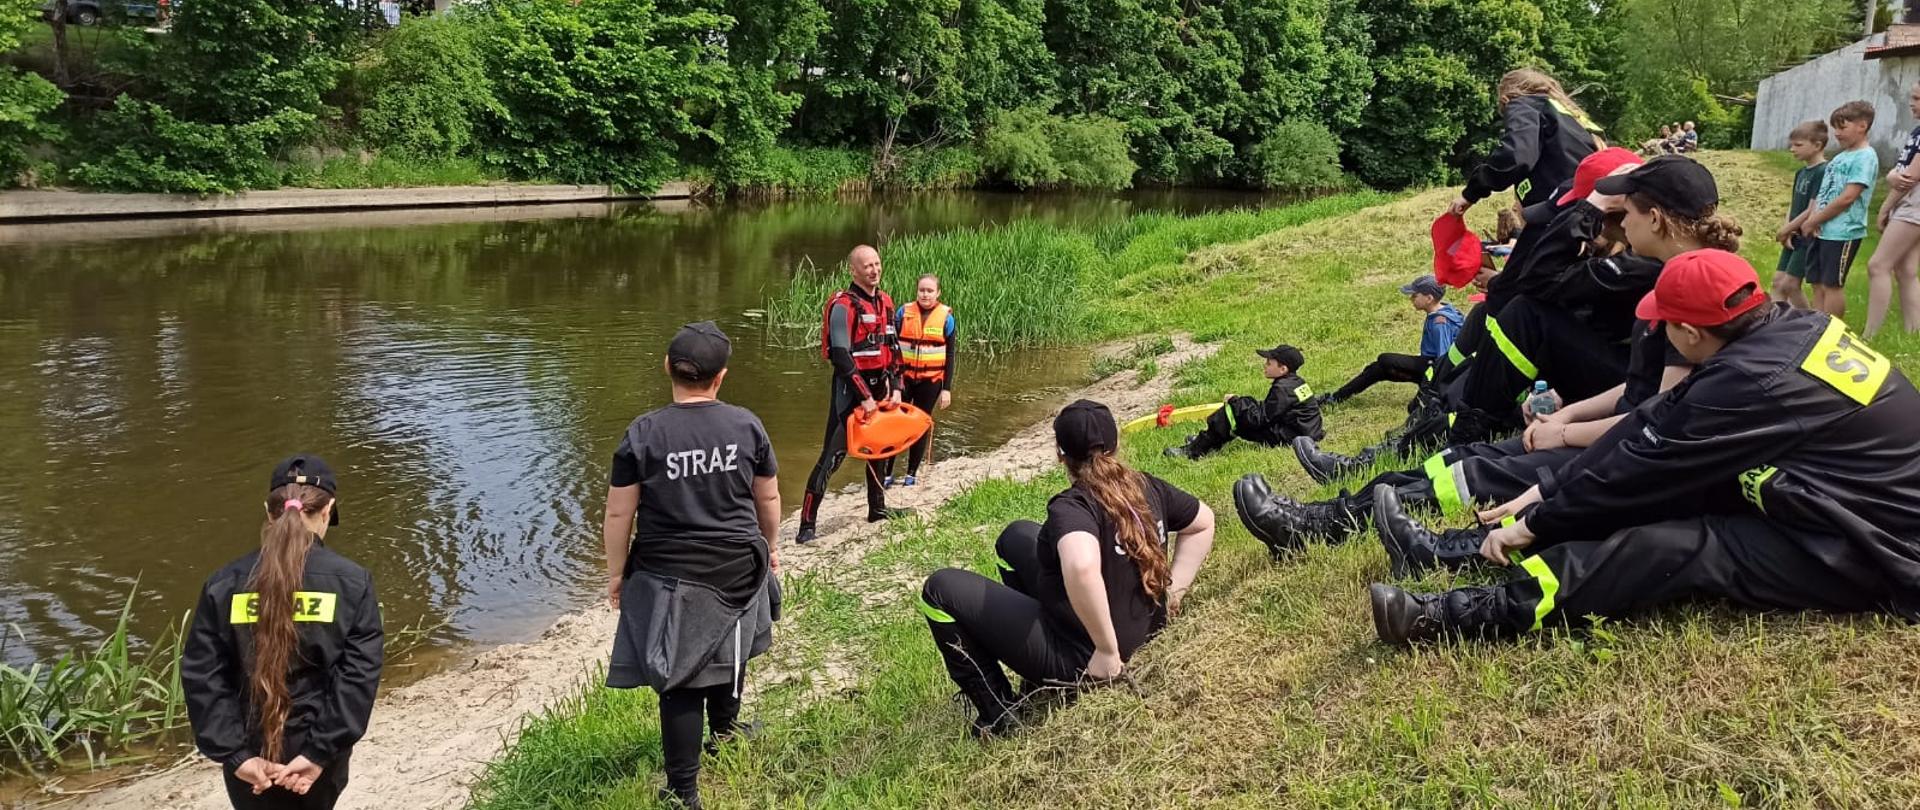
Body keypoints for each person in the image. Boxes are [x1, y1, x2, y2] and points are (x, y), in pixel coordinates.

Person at [1368, 250, 1920, 645]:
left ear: (1690, 331)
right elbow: (1654, 421)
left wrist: (1537, 520)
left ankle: (1467, 613)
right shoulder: (1783, 333)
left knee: (1687, 544)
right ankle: (1452, 551)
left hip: (1872, 542)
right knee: (1668, 493)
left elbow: (1641, 468)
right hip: (1827, 496)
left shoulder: (1752, 380)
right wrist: (1547, 488)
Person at [918, 400, 1215, 735]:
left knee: (939, 589)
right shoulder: (1147, 485)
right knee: (1013, 537)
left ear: (1061, 454)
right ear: (1115, 444)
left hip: (1085, 654)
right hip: (1145, 624)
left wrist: (1106, 651)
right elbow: (1203, 522)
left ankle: (998, 714)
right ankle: (1034, 674)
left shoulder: (1073, 506)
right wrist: (1174, 593)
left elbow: (1082, 566)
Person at [603, 321, 782, 810]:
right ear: (720, 377)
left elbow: (620, 512)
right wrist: (771, 549)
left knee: (680, 678)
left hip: (669, 577)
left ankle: (683, 791)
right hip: (738, 567)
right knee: (731, 646)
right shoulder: (746, 425)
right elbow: (767, 495)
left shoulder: (644, 432)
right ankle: (725, 731)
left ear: (668, 369)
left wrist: (616, 574)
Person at [182, 455, 382, 810]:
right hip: (317, 754)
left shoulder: (224, 584)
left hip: (247, 755)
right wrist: (318, 753)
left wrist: (236, 755)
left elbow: (203, 676)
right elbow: (357, 678)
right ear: (327, 509)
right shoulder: (352, 583)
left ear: (269, 510)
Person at [797, 245, 909, 544]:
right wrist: (864, 397)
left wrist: (897, 387)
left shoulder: (885, 302)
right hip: (850, 392)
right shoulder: (843, 306)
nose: (874, 270)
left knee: (882, 451)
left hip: (881, 388)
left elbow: (894, 348)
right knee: (832, 457)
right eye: (867, 266)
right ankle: (807, 525)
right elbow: (840, 355)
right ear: (854, 271)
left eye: (877, 264)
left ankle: (878, 510)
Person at [1447, 68, 1604, 218]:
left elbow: (1515, 155)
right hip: (1592, 204)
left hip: (1561, 208)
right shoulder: (1572, 115)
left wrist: (1471, 193)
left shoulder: (1525, 104)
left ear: (1506, 96)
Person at [1319, 276, 1464, 407]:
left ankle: (1335, 398)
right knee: (1378, 368)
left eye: (1415, 295)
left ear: (1429, 298)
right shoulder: (1442, 312)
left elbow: (1444, 359)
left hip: (1435, 369)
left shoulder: (1440, 323)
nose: (1411, 299)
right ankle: (1336, 398)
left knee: (1385, 359)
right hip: (1429, 365)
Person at [1163, 344, 1322, 460]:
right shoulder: (1296, 382)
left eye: (1269, 363)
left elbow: (1258, 419)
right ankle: (1207, 441)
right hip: (1303, 431)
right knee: (1243, 408)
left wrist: (1235, 402)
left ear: (1283, 369)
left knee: (1232, 414)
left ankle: (1194, 450)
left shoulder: (1282, 389)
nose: (1265, 365)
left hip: (1291, 436)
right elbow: (1271, 411)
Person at [1795, 100, 1879, 319]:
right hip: (1820, 230)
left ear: (1862, 126)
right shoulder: (1839, 158)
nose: (1837, 133)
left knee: (1832, 284)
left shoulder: (1865, 157)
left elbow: (1848, 197)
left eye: (1842, 127)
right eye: (1835, 128)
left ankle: (1832, 329)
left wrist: (1815, 220)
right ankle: (1817, 325)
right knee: (1817, 281)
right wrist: (1813, 219)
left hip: (1843, 231)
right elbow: (1823, 194)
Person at [883, 274, 955, 487]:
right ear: (917, 292)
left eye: (930, 291)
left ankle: (911, 473)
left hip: (930, 381)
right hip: (903, 379)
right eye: (922, 290)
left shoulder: (947, 319)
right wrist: (890, 380)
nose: (925, 294)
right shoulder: (903, 313)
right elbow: (892, 348)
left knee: (919, 425)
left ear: (938, 293)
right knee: (896, 423)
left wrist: (947, 389)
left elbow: (950, 356)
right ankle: (887, 473)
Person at [1867, 82, 1920, 338]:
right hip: (1912, 202)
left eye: (1918, 98)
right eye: (1912, 97)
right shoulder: (1918, 131)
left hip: (1914, 204)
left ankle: (1870, 335)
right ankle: (1914, 333)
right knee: (1906, 269)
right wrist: (1891, 176)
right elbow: (1899, 173)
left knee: (1878, 265)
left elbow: (1909, 177)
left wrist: (1884, 208)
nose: (1912, 103)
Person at [1772, 120, 1830, 309]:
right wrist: (1787, 228)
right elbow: (1794, 203)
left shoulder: (1823, 171)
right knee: (1777, 282)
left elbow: (1811, 209)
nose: (1792, 149)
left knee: (1791, 284)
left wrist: (1786, 229)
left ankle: (1806, 323)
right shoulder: (1801, 172)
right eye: (1792, 144)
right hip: (1793, 234)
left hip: (1806, 236)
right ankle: (1773, 327)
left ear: (1817, 145)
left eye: (1798, 145)